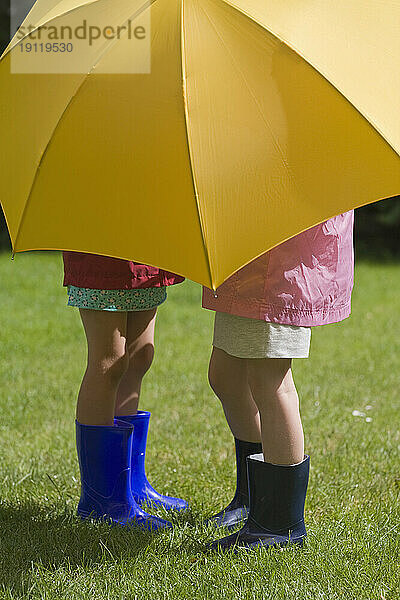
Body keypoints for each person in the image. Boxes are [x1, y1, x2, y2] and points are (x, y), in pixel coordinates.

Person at [202, 212, 354, 550]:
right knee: (225, 376)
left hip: (280, 264)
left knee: (270, 381)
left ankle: (279, 524)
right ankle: (253, 498)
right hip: (248, 257)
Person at [63, 251, 188, 531]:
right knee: (110, 362)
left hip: (145, 246)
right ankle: (102, 500)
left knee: (139, 356)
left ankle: (130, 485)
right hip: (103, 247)